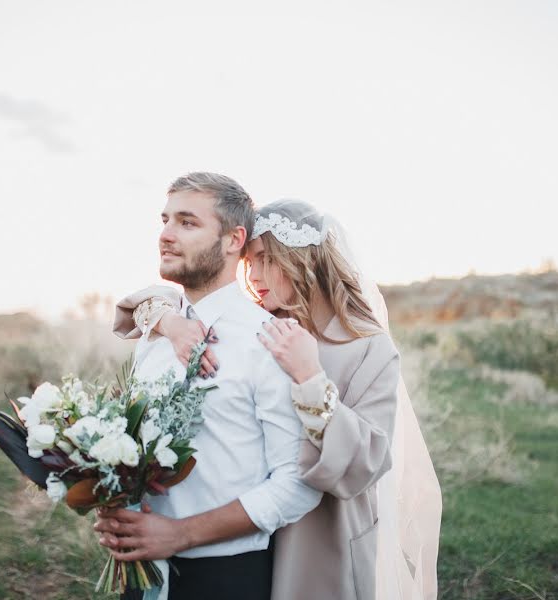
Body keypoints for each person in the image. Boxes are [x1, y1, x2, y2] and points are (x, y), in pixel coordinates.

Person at [110, 199, 442, 600]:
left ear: (305, 260)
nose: (256, 275)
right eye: (250, 262)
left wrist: (310, 377)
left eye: (267, 259)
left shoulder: (367, 347)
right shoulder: (258, 325)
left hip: (320, 540)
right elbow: (148, 301)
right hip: (240, 538)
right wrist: (171, 323)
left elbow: (364, 465)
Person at [94, 175, 322, 600]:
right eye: (165, 220)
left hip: (226, 577)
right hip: (140, 574)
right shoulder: (157, 332)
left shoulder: (270, 341)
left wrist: (180, 534)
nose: (165, 235)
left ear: (235, 239)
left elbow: (298, 483)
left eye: (187, 222)